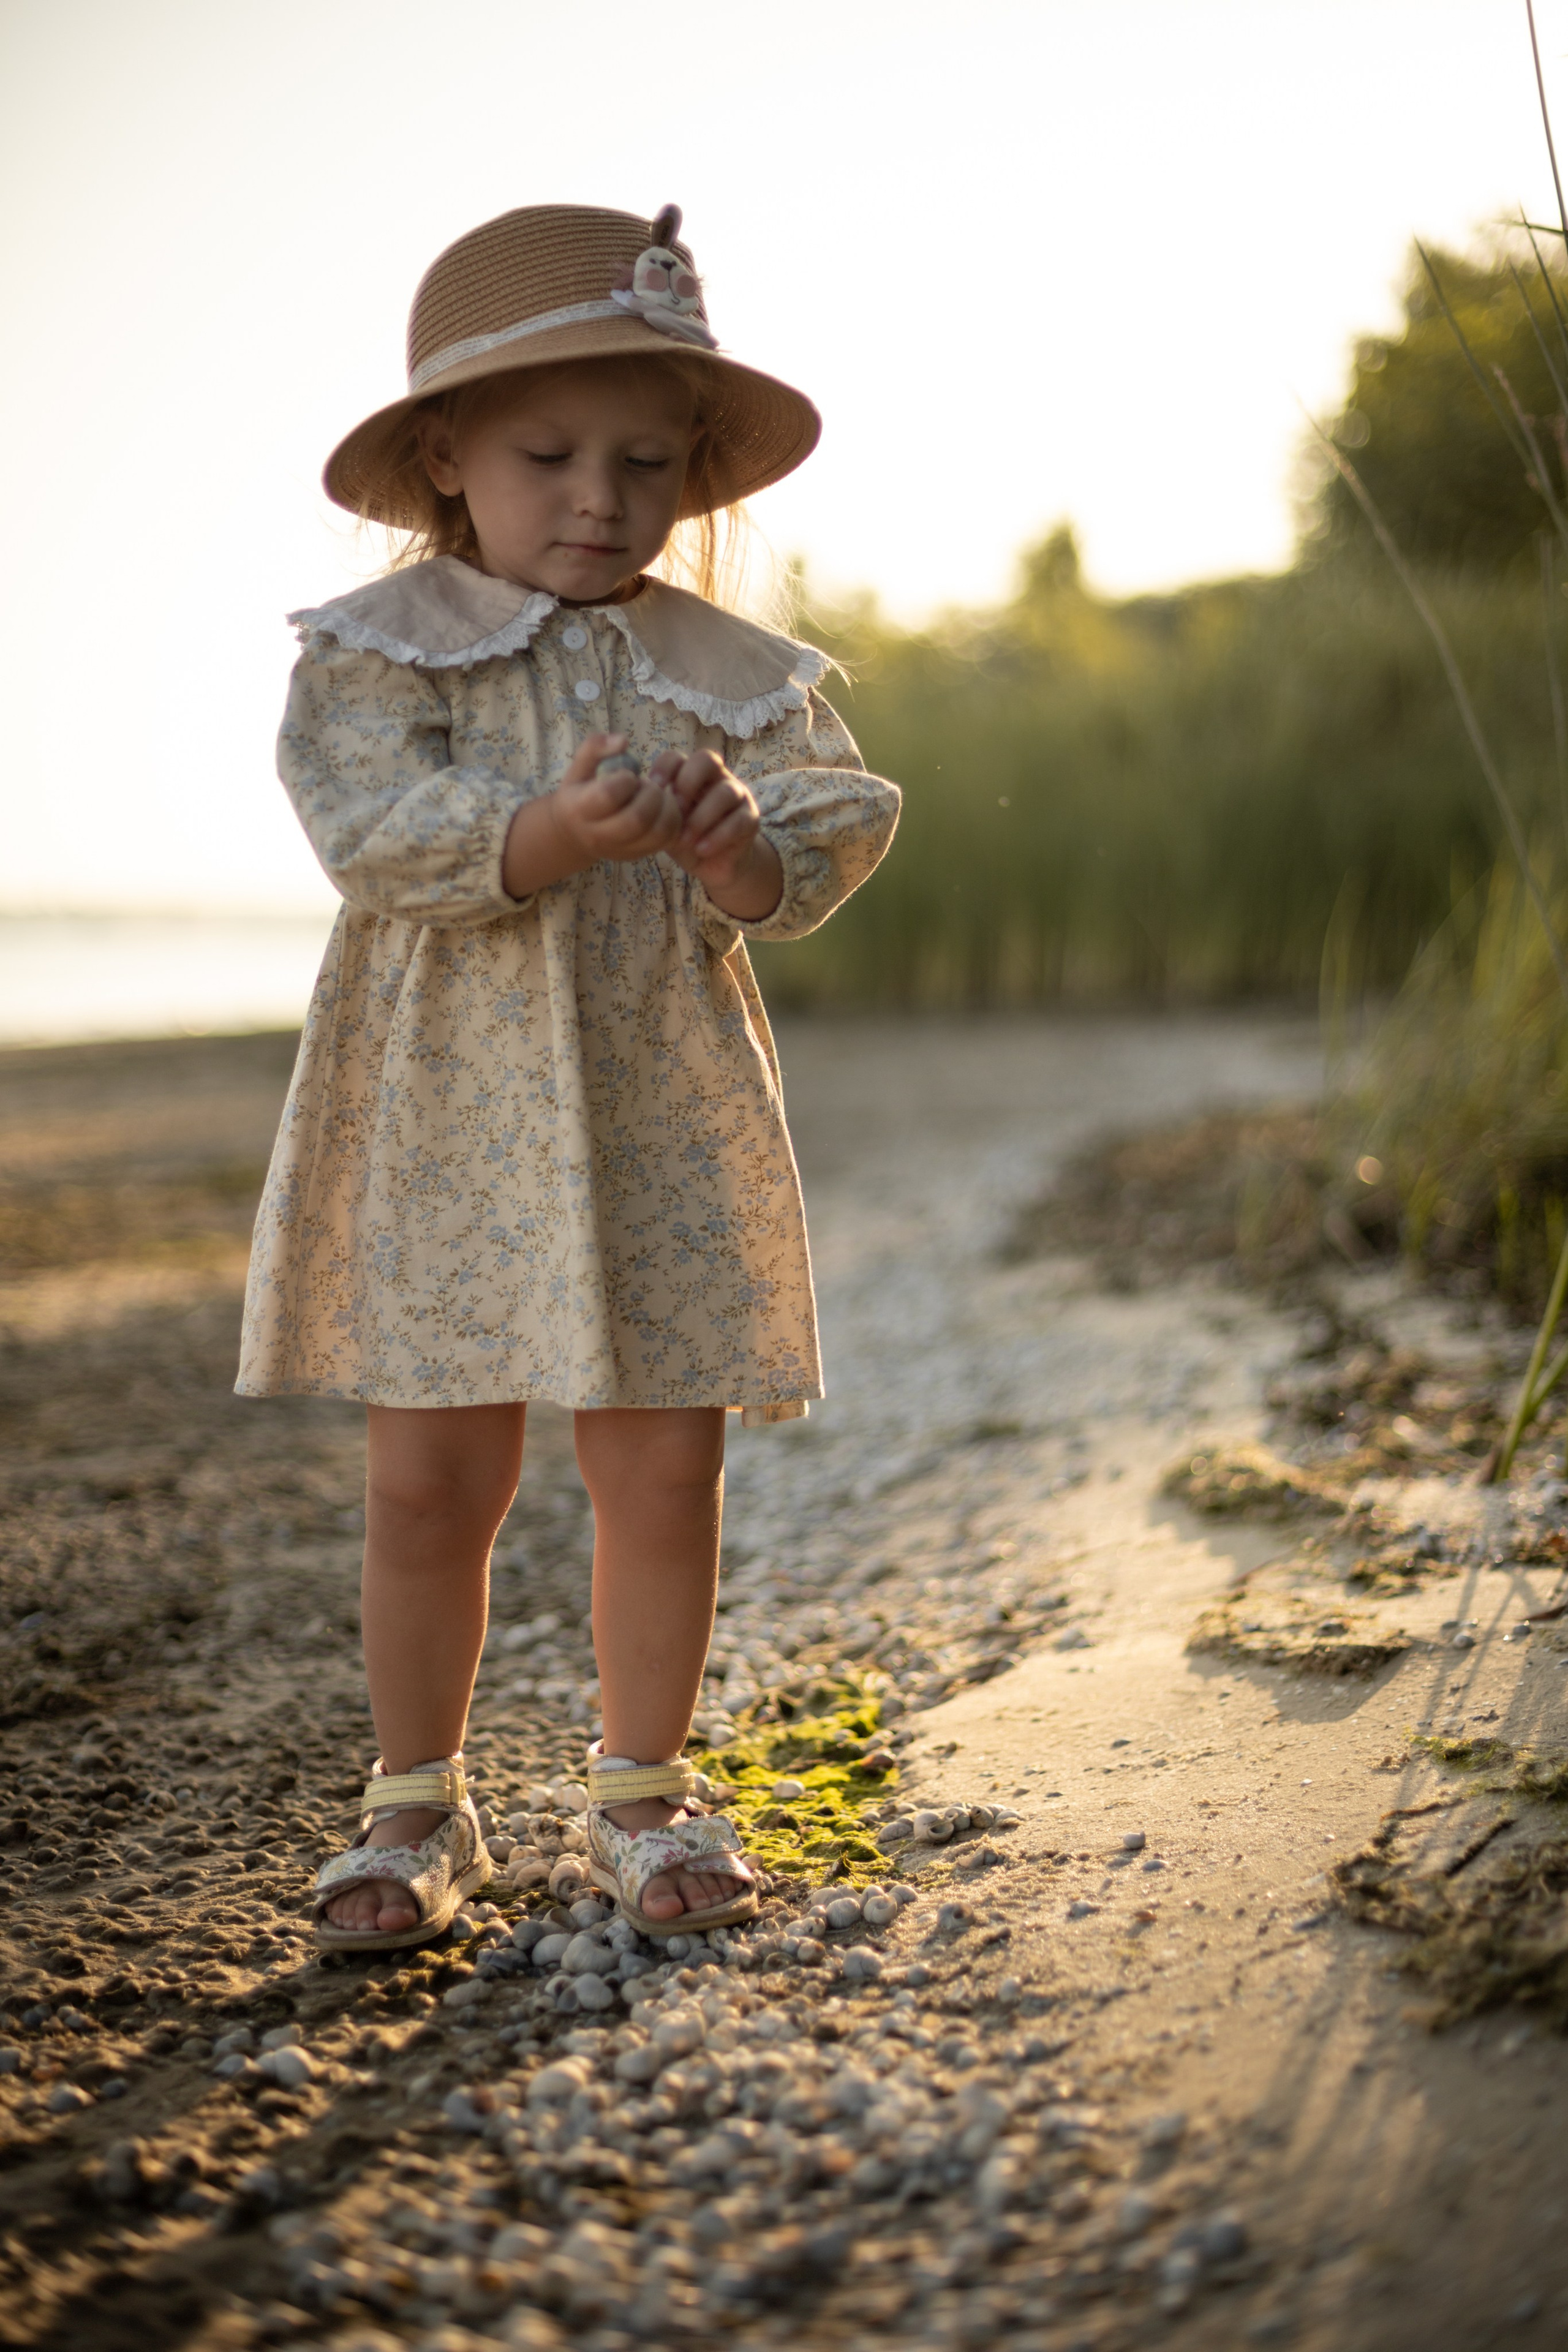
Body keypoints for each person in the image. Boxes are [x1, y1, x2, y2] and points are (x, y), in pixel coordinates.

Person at [238, 201, 900, 1952]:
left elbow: (828, 829)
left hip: (657, 1101)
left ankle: (642, 1786)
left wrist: (735, 850)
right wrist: (543, 830)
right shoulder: (383, 647)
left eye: (645, 462)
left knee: (663, 1465)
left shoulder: (729, 674)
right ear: (446, 457)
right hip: (448, 1107)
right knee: (429, 1482)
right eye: (548, 456)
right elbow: (369, 827)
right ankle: (413, 1801)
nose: (600, 499)